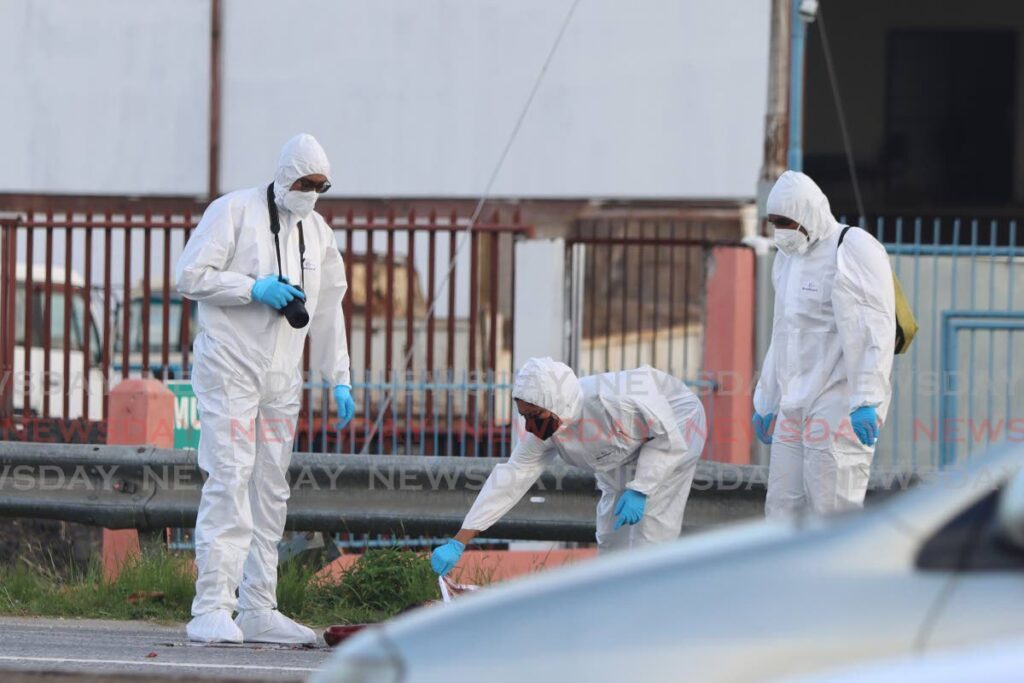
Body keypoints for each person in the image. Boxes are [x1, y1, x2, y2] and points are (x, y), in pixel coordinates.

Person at [175, 133, 356, 644]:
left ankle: (258, 606)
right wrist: (251, 287)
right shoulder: (232, 211)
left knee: (271, 488)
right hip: (229, 366)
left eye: (321, 185)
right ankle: (211, 606)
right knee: (230, 477)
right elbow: (189, 275)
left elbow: (328, 309)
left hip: (281, 377)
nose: (311, 191)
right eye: (304, 182)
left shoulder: (318, 232)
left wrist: (338, 377)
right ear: (284, 175)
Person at [431, 358, 707, 576]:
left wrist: (642, 488)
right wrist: (460, 541)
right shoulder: (549, 428)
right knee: (612, 540)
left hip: (677, 427)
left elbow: (668, 436)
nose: (529, 426)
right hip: (621, 452)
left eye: (533, 416)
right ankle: (614, 614)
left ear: (555, 403)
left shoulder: (616, 399)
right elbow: (511, 479)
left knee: (651, 537)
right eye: (523, 417)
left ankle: (653, 621)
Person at [752, 170, 895, 518]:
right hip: (793, 401)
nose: (780, 231)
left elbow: (874, 329)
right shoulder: (788, 259)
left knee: (831, 510)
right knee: (782, 509)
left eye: (786, 221)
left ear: (808, 212)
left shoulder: (853, 247)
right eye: (774, 222)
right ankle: (788, 575)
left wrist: (867, 398)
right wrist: (766, 398)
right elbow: (783, 331)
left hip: (838, 399)